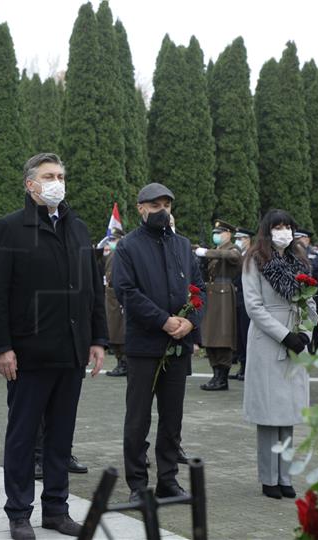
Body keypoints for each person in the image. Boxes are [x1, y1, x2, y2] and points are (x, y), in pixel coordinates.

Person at [0, 153, 107, 540]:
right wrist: (1, 347)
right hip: (28, 355)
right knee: (23, 436)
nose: (57, 182)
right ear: (30, 185)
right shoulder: (9, 229)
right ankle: (19, 512)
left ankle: (56, 508)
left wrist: (98, 339)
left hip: (70, 352)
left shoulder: (78, 229)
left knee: (60, 437)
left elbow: (92, 290)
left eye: (61, 175)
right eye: (49, 176)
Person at [112, 182, 207, 503]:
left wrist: (190, 322)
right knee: (138, 418)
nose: (161, 211)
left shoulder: (182, 245)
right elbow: (126, 291)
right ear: (140, 208)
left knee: (172, 418)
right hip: (144, 345)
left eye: (166, 204)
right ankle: (138, 485)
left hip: (178, 345)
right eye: (154, 205)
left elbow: (199, 290)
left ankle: (168, 480)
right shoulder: (127, 246)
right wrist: (163, 320)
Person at [242, 209, 317, 500]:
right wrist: (285, 336)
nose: (284, 232)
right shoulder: (255, 260)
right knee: (269, 414)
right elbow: (254, 306)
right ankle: (268, 477)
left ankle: (285, 475)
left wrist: (306, 334)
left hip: (297, 338)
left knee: (288, 414)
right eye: (278, 227)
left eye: (288, 226)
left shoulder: (299, 260)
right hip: (268, 340)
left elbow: (310, 302)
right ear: (267, 230)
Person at [194, 220, 242, 391]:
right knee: (211, 335)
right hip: (212, 294)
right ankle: (216, 375)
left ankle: (222, 377)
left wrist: (207, 252)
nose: (216, 236)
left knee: (223, 335)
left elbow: (234, 257)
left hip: (224, 295)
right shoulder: (219, 250)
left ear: (228, 234)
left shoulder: (232, 249)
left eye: (220, 233)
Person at [229, 227, 254, 381]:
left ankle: (248, 368)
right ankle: (242, 366)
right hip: (238, 299)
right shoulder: (240, 255)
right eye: (237, 238)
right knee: (239, 336)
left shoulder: (251, 256)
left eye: (241, 238)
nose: (238, 241)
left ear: (248, 240)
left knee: (246, 335)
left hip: (247, 300)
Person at [104, 229, 128, 377]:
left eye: (114, 239)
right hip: (111, 297)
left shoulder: (121, 253)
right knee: (113, 332)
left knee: (118, 332)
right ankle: (121, 362)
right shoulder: (113, 254)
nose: (111, 242)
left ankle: (123, 363)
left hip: (117, 298)